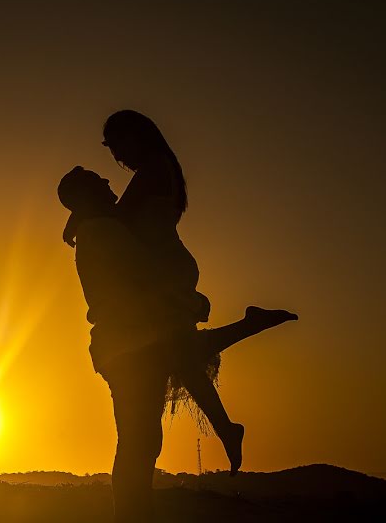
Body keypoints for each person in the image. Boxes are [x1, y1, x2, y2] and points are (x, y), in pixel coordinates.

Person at [58, 166, 296, 523]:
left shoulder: (97, 226)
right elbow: (144, 278)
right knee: (139, 445)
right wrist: (192, 303)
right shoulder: (103, 232)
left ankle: (249, 333)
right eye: (98, 182)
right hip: (128, 345)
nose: (109, 183)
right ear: (87, 195)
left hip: (129, 342)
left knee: (145, 435)